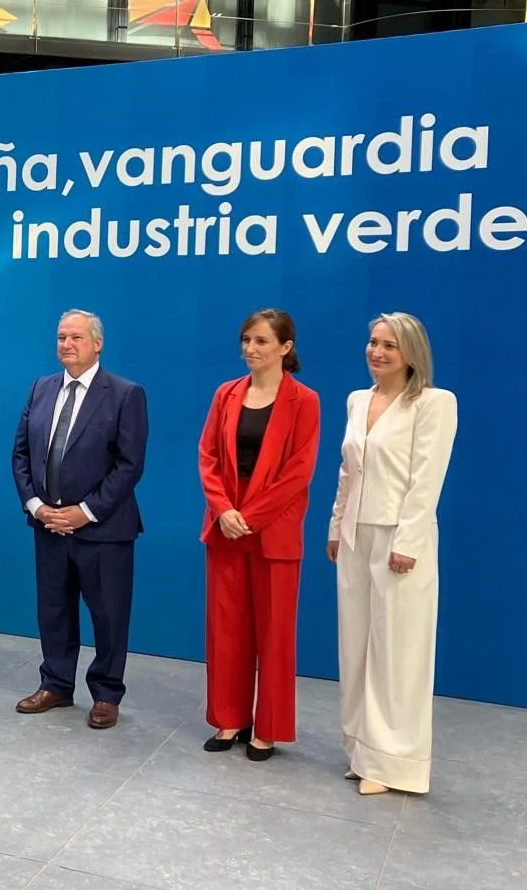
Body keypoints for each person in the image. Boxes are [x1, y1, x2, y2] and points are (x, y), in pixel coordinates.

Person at [329, 312, 457, 796]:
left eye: (389, 345)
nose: (377, 352)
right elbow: (348, 471)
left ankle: (394, 764)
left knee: (398, 650)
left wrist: (407, 541)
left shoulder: (433, 403)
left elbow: (427, 479)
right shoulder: (357, 400)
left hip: (399, 538)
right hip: (356, 535)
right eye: (373, 342)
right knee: (356, 646)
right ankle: (362, 752)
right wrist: (336, 526)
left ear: (411, 353)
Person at [11, 310, 147, 729]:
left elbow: (129, 465)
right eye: (61, 337)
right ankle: (55, 684)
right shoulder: (41, 388)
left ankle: (106, 694)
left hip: (103, 529)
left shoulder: (125, 394)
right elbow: (21, 453)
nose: (66, 344)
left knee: (108, 614)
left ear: (97, 344)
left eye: (76, 337)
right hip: (48, 525)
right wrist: (37, 506)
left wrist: (84, 512)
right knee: (53, 610)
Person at [198, 309, 320, 760]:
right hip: (226, 527)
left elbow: (299, 470)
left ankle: (267, 728)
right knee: (226, 629)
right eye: (247, 339)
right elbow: (208, 455)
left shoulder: (304, 400)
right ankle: (230, 718)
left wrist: (250, 515)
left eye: (262, 341)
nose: (251, 348)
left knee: (274, 634)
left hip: (273, 530)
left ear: (286, 348)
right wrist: (224, 510)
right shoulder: (226, 394)